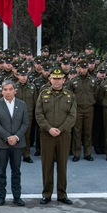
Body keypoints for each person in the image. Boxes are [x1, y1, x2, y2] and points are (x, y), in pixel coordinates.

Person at [35, 67, 77, 205]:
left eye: (59, 79)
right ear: (50, 79)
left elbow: (72, 115)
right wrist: (49, 128)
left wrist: (61, 128)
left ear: (64, 80)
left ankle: (62, 194)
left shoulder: (69, 96)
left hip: (64, 135)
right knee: (46, 165)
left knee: (62, 165)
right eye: (54, 78)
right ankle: (46, 194)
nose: (57, 81)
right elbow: (39, 114)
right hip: (46, 135)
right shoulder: (43, 94)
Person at [0, 79, 29, 206]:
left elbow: (25, 123)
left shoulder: (22, 104)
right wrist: (8, 137)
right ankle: (1, 196)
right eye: (5, 90)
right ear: (1, 91)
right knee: (1, 171)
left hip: (17, 143)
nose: (8, 92)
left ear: (15, 91)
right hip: (2, 143)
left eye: (10, 89)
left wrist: (16, 137)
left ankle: (17, 196)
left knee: (16, 171)